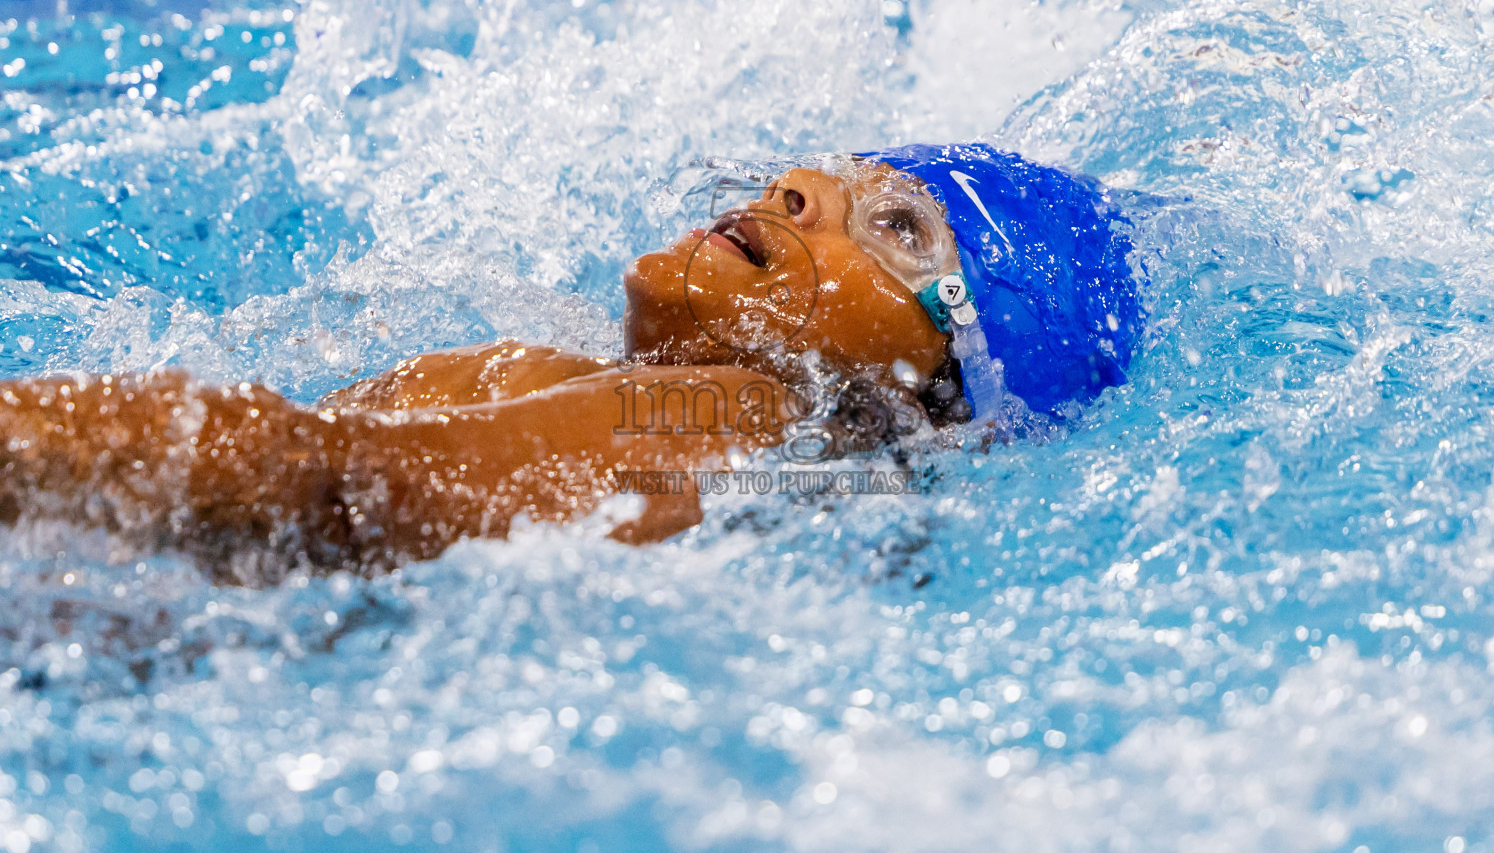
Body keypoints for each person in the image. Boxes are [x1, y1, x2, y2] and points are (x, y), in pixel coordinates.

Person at [0, 144, 1141, 583]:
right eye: (845, 173)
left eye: (897, 227)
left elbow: (330, 484)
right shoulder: (668, 411)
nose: (801, 189)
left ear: (945, 379)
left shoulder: (736, 421)